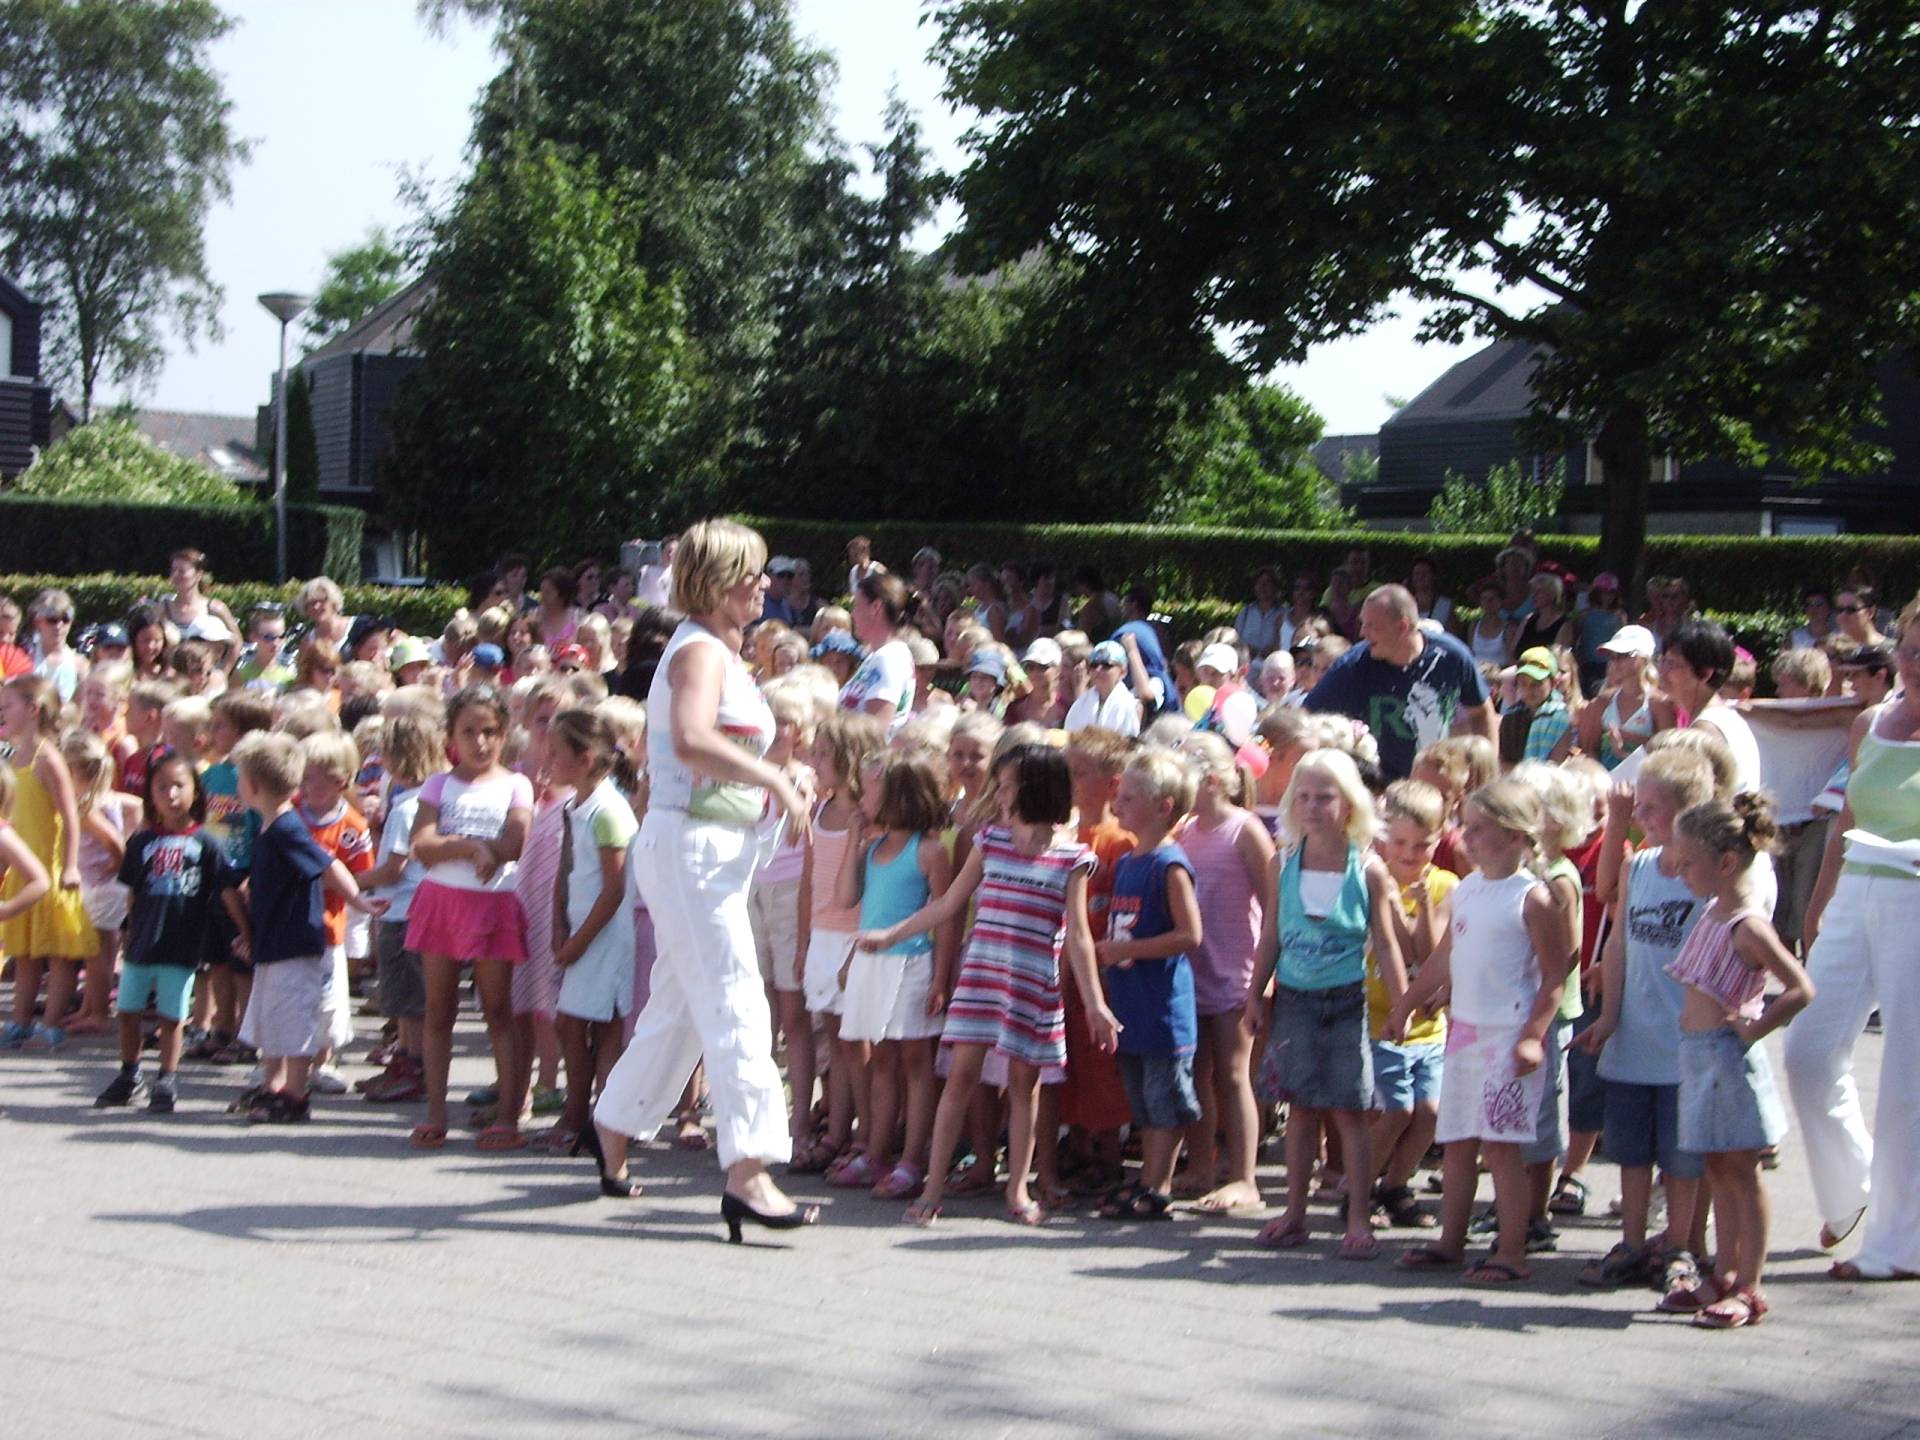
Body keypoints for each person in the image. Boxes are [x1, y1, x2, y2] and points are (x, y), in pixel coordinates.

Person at [589, 519, 817, 1241]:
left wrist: (775, 775)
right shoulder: (697, 652)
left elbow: (715, 748)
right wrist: (773, 777)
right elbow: (690, 739)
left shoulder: (719, 653)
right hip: (691, 847)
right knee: (736, 1001)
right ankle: (750, 1171)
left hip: (713, 850)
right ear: (717, 582)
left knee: (683, 1008)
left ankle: (614, 1128)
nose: (762, 585)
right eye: (750, 574)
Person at [856, 742, 1114, 1227]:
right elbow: (947, 905)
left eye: (1009, 784)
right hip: (982, 978)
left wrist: (1095, 1004)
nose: (1000, 792)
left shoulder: (1072, 859)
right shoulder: (990, 842)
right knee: (960, 1079)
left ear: (1036, 789)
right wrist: (891, 933)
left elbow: (1078, 936)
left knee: (1023, 1087)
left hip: (1033, 984)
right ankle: (932, 1189)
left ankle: (1017, 1188)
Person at [1784, 594, 1920, 1282]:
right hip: (1855, 894)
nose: (1916, 662)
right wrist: (1818, 903)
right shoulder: (1872, 719)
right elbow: (1845, 820)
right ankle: (1854, 1192)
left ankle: (1901, 1244)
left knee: (1907, 1076)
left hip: (1916, 897)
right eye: (1911, 647)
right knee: (1807, 1051)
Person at [1391, 777, 1566, 1284]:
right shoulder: (1468, 888)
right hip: (1463, 1031)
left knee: (1501, 1147)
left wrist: (1533, 1034)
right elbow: (1444, 957)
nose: (1466, 838)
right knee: (1459, 1141)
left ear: (1516, 836)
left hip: (1506, 1036)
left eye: (1479, 829)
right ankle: (1450, 1241)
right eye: (1465, 827)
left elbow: (1555, 974)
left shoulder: (1531, 898)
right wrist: (1407, 1002)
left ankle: (1512, 1249)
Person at [1662, 794, 1814, 1327]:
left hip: (1728, 1061)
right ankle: (1722, 1272)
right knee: (1716, 1167)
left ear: (1725, 863)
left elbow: (1799, 988)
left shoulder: (1748, 925)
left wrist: (1758, 1025)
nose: (1678, 873)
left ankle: (1750, 1284)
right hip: (1698, 1059)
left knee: (1743, 1173)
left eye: (1687, 864)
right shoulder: (1712, 912)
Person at [1250, 750, 1407, 1259]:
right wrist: (1255, 993)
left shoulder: (1369, 869)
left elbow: (1385, 943)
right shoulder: (1284, 861)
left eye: (1326, 797)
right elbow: (1271, 932)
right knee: (1299, 1107)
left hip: (1345, 1000)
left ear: (1350, 803)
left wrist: (1402, 1006)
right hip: (1295, 997)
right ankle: (1294, 1212)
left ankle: (1358, 1217)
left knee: (1348, 1111)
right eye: (1305, 796)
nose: (1313, 806)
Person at [1573, 749, 1715, 1293]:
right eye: (1640, 806)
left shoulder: (1702, 877)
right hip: (1633, 1033)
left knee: (1681, 1157)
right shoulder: (1637, 867)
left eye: (1653, 808)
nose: (1642, 816)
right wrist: (1609, 1018)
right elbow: (1619, 939)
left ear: (1689, 811)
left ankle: (1678, 1246)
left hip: (1684, 1041)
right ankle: (1632, 1241)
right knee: (1631, 1150)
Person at [230, 731, 386, 1123]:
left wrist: (357, 900)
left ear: (253, 785)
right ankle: (273, 1087)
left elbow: (330, 864)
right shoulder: (274, 825)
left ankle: (295, 1096)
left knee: (293, 1020)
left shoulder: (287, 828)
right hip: (274, 942)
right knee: (270, 1020)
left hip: (295, 945)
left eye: (240, 776)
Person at [404, 684, 534, 1151]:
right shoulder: (439, 783)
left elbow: (517, 839)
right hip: (443, 903)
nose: (480, 742)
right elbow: (423, 844)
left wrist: (488, 849)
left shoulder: (517, 784)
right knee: (439, 1011)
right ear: (451, 737)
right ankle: (436, 1112)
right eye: (469, 732)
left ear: (505, 734)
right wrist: (472, 848)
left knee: (498, 1012)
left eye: (490, 732)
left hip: (493, 905)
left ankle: (507, 1116)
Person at [92, 750, 247, 1113]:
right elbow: (133, 892)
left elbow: (226, 890)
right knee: (128, 1010)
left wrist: (245, 931)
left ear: (195, 792)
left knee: (172, 1015)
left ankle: (166, 1076)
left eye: (179, 785)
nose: (171, 794)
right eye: (162, 787)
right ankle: (130, 1074)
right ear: (151, 795)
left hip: (182, 944)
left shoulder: (208, 844)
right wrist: (128, 935)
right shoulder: (141, 842)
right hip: (142, 943)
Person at [833, 750, 956, 1200]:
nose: (862, 797)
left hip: (912, 964)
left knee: (916, 1064)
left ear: (896, 796)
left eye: (870, 790)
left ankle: (910, 1160)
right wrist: (853, 842)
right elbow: (847, 900)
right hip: (872, 963)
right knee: (881, 1060)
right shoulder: (871, 850)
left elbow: (944, 917)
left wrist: (942, 978)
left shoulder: (929, 851)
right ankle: (876, 1151)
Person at [1091, 747, 1203, 1220]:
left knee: (1164, 1102)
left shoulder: (1168, 864)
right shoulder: (1130, 860)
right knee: (1142, 1099)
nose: (1119, 805)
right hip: (1132, 1004)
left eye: (1131, 797)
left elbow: (1189, 935)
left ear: (1165, 807)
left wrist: (1126, 951)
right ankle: (1146, 1179)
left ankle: (1158, 1186)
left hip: (1162, 1008)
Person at [1173, 731, 1272, 1214]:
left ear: (1211, 780)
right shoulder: (1186, 830)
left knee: (1233, 1075)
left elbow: (1274, 903)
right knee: (1197, 1071)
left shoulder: (1244, 829)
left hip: (1236, 969)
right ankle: (1200, 1165)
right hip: (1192, 970)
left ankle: (1244, 1176)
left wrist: (1266, 977)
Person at [792, 711, 886, 1178]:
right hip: (822, 936)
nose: (815, 760)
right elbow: (808, 881)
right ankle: (837, 1130)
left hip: (853, 938)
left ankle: (868, 1136)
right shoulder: (820, 810)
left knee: (857, 1043)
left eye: (824, 754)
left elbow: (871, 889)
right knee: (833, 1037)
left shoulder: (866, 819)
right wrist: (803, 941)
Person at [547, 709, 639, 1177]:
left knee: (600, 1027)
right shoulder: (575, 806)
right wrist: (558, 924)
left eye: (556, 752)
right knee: (573, 1025)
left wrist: (578, 942)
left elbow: (615, 888)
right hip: (582, 931)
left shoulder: (610, 810)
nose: (548, 759)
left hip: (605, 936)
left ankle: (596, 1118)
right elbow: (567, 871)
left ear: (584, 758)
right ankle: (583, 1114)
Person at [1363, 779, 1456, 1230]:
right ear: (1382, 836)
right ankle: (1360, 1189)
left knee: (1430, 1113)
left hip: (1427, 1023)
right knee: (1395, 1110)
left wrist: (1417, 907)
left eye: (1422, 844)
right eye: (1399, 842)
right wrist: (1397, 910)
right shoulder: (1371, 876)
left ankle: (1395, 1185)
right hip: (1379, 1019)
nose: (1410, 853)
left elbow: (1428, 955)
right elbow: (1388, 944)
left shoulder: (1444, 884)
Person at [1303, 585, 1496, 780]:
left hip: (1438, 783)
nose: (1362, 633)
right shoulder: (1354, 665)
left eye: (1371, 626)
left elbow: (1481, 712)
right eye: (1362, 624)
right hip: (1378, 786)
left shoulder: (1452, 657)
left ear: (1402, 626)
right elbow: (1304, 717)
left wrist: (1486, 774)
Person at [0, 675, 92, 1049]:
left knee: (57, 953)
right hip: (22, 869)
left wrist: (70, 866)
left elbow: (70, 816)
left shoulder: (48, 757)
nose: (2, 711)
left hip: (49, 869)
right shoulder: (13, 755)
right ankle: (21, 1020)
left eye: (8, 705)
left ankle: (51, 1023)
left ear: (33, 709)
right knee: (23, 953)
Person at [356, 709, 442, 1104]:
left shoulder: (408, 808)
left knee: (410, 1000)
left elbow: (393, 868)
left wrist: (349, 880)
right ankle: (406, 1059)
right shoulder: (424, 801)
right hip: (411, 911)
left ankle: (417, 1065)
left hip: (403, 910)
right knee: (405, 1002)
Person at [841, 572, 917, 737]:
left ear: (876, 607)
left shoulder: (888, 659)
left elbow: (875, 732)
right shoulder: (878, 656)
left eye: (856, 606)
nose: (852, 614)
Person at [1064, 640, 1140, 736]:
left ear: (1123, 671)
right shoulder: (1080, 704)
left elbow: (1130, 744)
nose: (1098, 670)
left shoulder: (1133, 706)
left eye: (1106, 665)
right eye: (1094, 665)